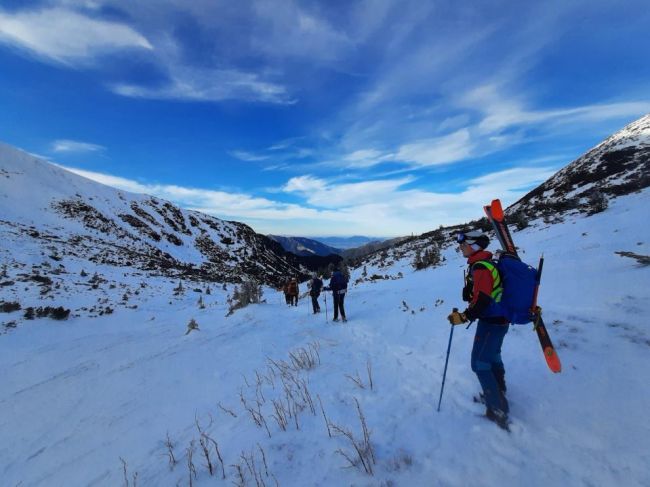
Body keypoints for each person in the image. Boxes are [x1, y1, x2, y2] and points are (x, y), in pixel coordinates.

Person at [448, 230, 510, 430]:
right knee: (492, 356)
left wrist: (464, 316)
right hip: (499, 318)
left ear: (474, 246)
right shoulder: (484, 264)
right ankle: (498, 392)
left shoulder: (481, 267)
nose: (460, 247)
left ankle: (497, 408)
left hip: (491, 320)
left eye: (463, 244)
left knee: (479, 363)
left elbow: (483, 299)